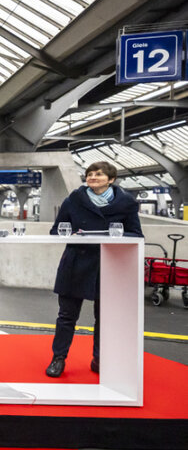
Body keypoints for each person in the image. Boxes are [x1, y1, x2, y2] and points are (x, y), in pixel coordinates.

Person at [45, 161, 142, 378]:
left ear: (111, 179)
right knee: (66, 316)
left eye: (98, 174)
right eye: (89, 174)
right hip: (75, 263)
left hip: (108, 265)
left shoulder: (126, 203)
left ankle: (99, 358)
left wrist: (109, 237)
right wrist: (72, 235)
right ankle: (58, 358)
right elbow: (56, 230)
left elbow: (136, 234)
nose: (92, 177)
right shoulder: (73, 200)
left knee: (104, 317)